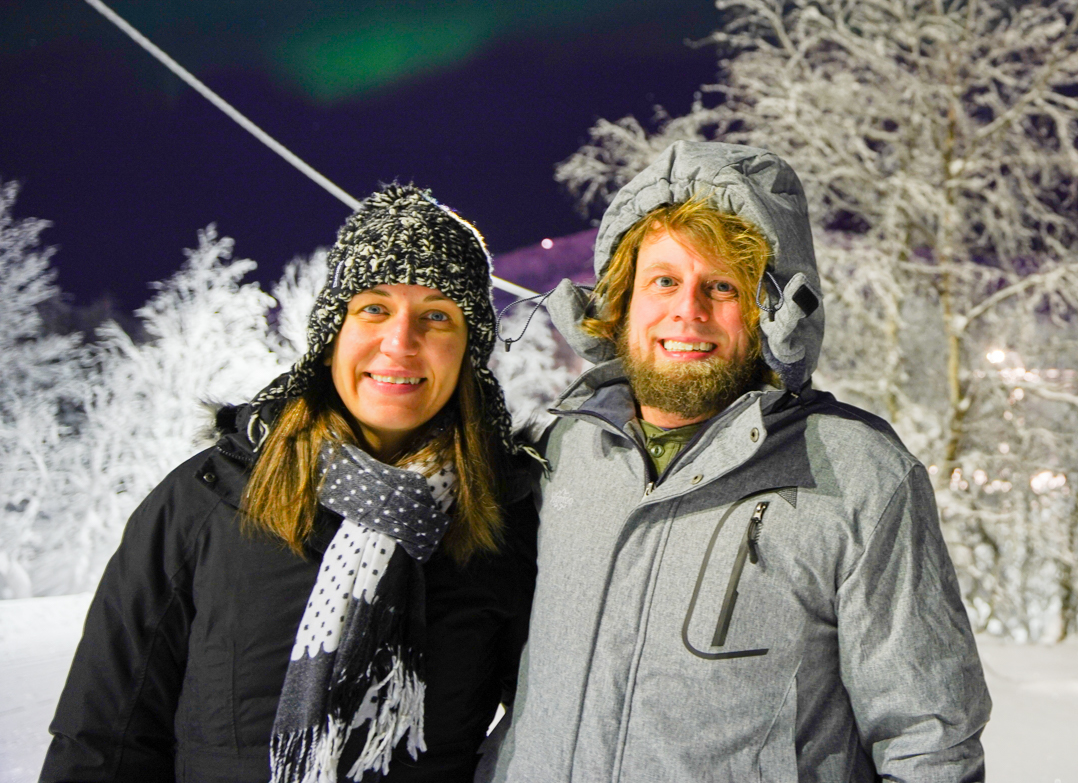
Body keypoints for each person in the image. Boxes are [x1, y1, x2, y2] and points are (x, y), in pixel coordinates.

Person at [495, 141, 989, 782]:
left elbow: (930, 748)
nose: (688, 311)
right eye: (664, 280)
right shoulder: (560, 452)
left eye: (722, 285)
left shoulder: (857, 475)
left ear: (771, 310)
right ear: (620, 302)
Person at [42, 185, 540, 783]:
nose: (400, 342)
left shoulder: (507, 520)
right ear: (333, 334)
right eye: (373, 309)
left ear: (469, 348)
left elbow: (556, 731)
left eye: (437, 315)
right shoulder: (208, 499)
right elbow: (104, 739)